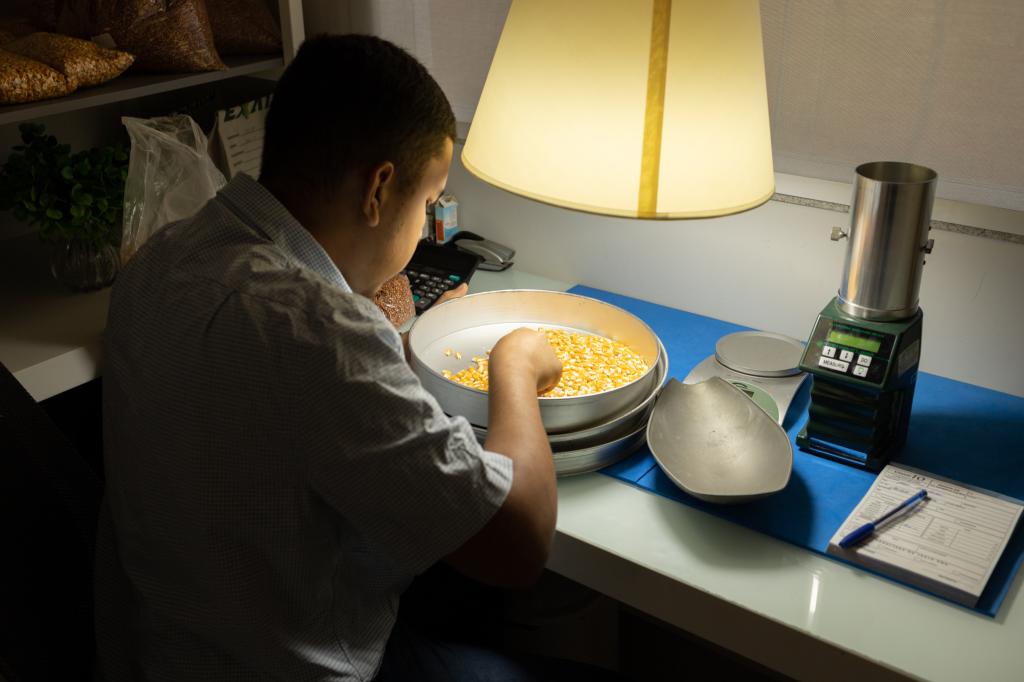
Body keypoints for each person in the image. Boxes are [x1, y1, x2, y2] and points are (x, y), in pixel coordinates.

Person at [95, 34, 585, 681]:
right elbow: (518, 544)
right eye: (428, 203)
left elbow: (281, 399)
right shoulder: (318, 332)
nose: (424, 226)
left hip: (168, 649)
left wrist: (384, 343)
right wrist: (514, 365)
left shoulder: (161, 259)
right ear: (379, 189)